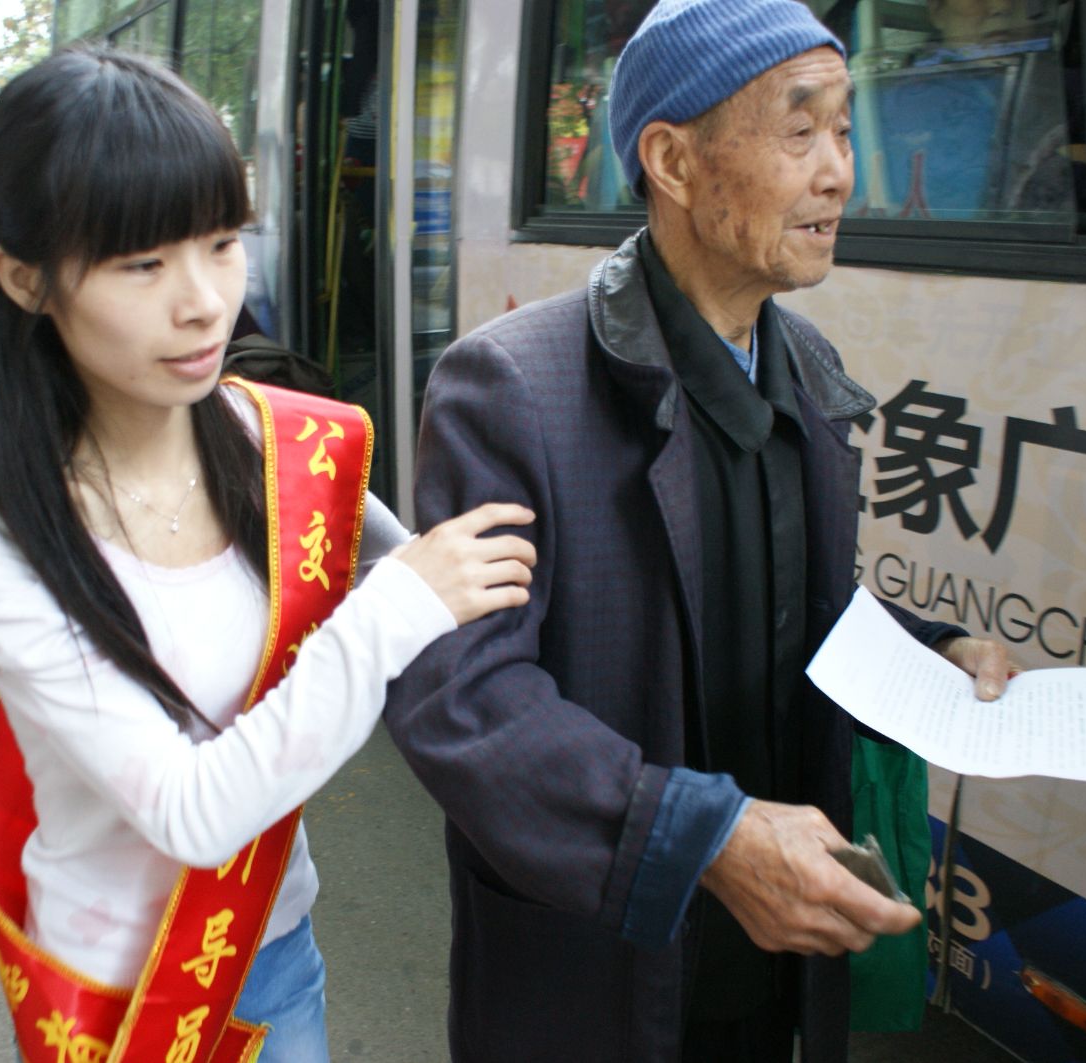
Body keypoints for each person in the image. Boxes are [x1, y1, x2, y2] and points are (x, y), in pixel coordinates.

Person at [384, 2, 1015, 1060]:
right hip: (601, 958)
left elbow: (793, 600)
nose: (839, 173)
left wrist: (929, 646)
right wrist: (704, 837)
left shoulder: (804, 367)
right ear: (673, 161)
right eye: (799, 130)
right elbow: (462, 694)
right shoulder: (512, 387)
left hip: (773, 949)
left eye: (844, 130)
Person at [0, 46, 534, 1062]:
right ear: (26, 278)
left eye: (220, 242)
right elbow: (193, 812)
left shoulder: (277, 443)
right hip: (118, 1000)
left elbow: (433, 579)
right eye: (143, 263)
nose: (203, 299)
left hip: (273, 950)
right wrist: (396, 608)